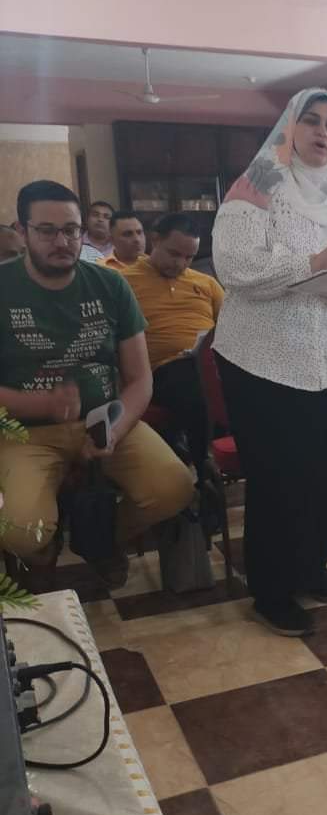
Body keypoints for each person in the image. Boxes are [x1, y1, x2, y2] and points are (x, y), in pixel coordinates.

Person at [213, 88, 327, 637]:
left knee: (326, 473)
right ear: (289, 127)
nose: (322, 133)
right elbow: (234, 268)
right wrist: (313, 263)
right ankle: (271, 589)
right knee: (279, 477)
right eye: (311, 121)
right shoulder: (256, 188)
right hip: (265, 361)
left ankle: (310, 566)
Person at [0, 180, 194, 586]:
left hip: (106, 419)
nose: (62, 242)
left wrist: (114, 429)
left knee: (174, 489)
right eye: (46, 231)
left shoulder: (110, 284)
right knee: (20, 531)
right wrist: (42, 404)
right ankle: (44, 550)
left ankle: (105, 540)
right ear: (22, 231)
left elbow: (139, 379)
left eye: (71, 230)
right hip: (26, 432)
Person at [121, 212, 225, 472]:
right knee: (190, 378)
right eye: (174, 254)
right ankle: (204, 464)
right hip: (158, 371)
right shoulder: (123, 282)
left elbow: (232, 327)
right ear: (155, 240)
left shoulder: (206, 283)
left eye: (189, 257)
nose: (181, 263)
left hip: (208, 363)